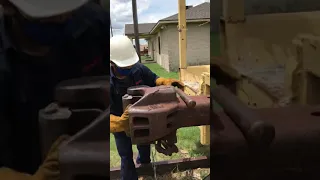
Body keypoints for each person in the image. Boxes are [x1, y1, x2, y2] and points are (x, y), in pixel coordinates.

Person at [0, 0, 109, 176]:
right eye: (48, 16)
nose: (62, 18)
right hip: (24, 164)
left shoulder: (93, 22)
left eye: (68, 11)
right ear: (7, 6)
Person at [110, 35, 184, 180]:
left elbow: (154, 79)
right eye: (124, 67)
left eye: (130, 65)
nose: (129, 68)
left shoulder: (138, 69)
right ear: (112, 63)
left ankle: (145, 170)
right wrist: (118, 123)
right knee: (125, 155)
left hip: (142, 119)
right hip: (120, 123)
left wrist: (165, 82)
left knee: (144, 147)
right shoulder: (108, 83)